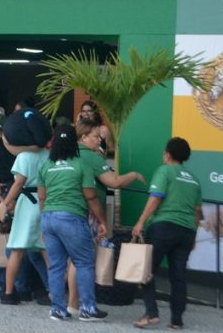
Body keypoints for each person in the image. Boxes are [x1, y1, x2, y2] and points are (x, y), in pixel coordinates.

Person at [68, 120, 145, 314]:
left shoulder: (67, 154)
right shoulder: (92, 158)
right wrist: (134, 175)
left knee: (71, 260)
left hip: (66, 212)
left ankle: (71, 302)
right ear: (83, 137)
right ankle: (81, 304)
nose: (99, 141)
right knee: (83, 260)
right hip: (88, 214)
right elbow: (115, 182)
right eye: (95, 136)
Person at [38, 124, 108, 322]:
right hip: (72, 217)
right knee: (84, 262)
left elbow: (42, 198)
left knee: (56, 266)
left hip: (49, 218)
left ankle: (58, 309)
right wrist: (102, 221)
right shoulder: (80, 164)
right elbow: (91, 197)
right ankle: (87, 308)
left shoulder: (46, 165)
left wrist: (44, 221)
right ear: (73, 143)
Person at [132, 138, 202, 330]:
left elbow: (156, 198)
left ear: (168, 154)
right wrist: (194, 234)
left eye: (164, 153)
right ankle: (176, 320)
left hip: (164, 227)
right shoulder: (194, 179)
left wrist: (140, 222)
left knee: (146, 270)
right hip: (187, 231)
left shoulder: (164, 171)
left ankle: (151, 313)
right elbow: (197, 212)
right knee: (178, 275)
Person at [0, 127, 50, 305]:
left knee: (17, 248)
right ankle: (54, 291)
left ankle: (9, 292)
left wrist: (4, 204)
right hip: (45, 202)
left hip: (27, 203)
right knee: (45, 248)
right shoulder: (48, 154)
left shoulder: (24, 156)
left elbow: (19, 183)